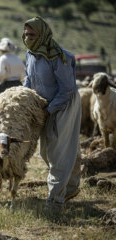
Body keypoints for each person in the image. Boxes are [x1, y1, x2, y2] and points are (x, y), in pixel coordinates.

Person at [22, 16, 81, 209]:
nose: (27, 37)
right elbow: (29, 81)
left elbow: (66, 89)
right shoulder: (31, 54)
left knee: (58, 151)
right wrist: (24, 99)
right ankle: (71, 187)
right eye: (25, 34)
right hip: (44, 106)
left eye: (32, 34)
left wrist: (49, 110)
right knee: (46, 151)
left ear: (43, 34)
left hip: (64, 104)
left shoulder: (58, 57)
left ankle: (55, 200)